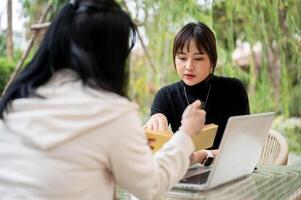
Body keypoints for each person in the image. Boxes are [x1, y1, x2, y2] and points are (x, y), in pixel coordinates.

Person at [0, 1, 206, 200]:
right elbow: (151, 186)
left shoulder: (17, 99)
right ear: (111, 55)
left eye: (198, 58)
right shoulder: (110, 111)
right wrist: (186, 132)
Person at [144, 22, 250, 164]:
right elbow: (156, 129)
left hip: (229, 170)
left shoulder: (233, 90)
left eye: (198, 58)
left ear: (212, 61)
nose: (189, 66)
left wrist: (203, 155)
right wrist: (157, 120)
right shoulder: (165, 95)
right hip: (186, 175)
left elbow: (243, 148)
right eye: (182, 58)